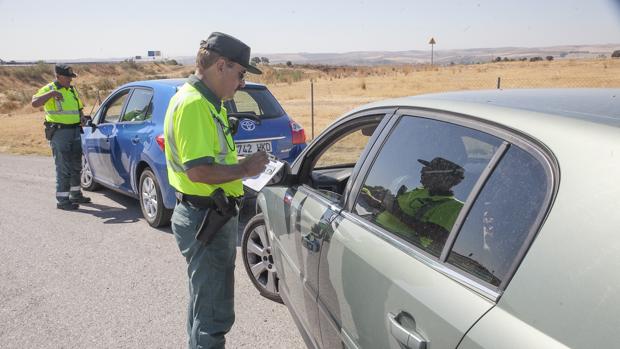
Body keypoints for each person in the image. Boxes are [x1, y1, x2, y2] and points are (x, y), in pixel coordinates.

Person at [163, 32, 269, 349]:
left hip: (209, 215)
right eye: (240, 74)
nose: (242, 83)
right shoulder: (195, 105)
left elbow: (211, 158)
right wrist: (244, 169)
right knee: (213, 315)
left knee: (203, 303)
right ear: (221, 65)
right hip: (205, 217)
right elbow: (198, 170)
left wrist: (241, 168)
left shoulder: (210, 103)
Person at [362, 157, 465, 256]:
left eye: (428, 169)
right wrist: (375, 201)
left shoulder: (454, 206)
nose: (422, 171)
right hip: (376, 225)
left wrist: (393, 207)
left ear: (444, 178)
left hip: (397, 245)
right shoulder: (421, 191)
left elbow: (436, 234)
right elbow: (394, 209)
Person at [32, 64, 91, 210]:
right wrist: (51, 94)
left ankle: (75, 195)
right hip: (59, 133)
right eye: (68, 77)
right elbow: (35, 103)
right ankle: (63, 201)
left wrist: (82, 118)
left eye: (71, 77)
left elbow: (78, 109)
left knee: (76, 165)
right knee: (64, 166)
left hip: (75, 131)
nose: (70, 80)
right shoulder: (49, 89)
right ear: (58, 76)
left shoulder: (71, 90)